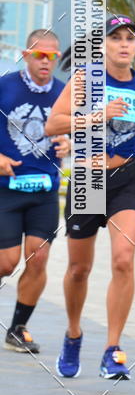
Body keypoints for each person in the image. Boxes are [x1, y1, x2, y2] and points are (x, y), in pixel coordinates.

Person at [45, 14, 135, 380]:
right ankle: (73, 333)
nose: (125, 44)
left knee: (124, 260)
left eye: (130, 38)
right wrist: (97, 116)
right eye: (117, 38)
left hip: (127, 178)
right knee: (79, 269)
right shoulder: (86, 80)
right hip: (87, 179)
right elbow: (54, 124)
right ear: (103, 45)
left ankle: (113, 349)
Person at [0, 30, 70, 354]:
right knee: (6, 262)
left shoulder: (64, 93)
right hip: (6, 189)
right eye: (39, 55)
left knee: (38, 257)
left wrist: (69, 143)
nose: (46, 62)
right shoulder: (5, 86)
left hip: (45, 189)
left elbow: (80, 132)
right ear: (26, 54)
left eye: (52, 56)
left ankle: (17, 328)